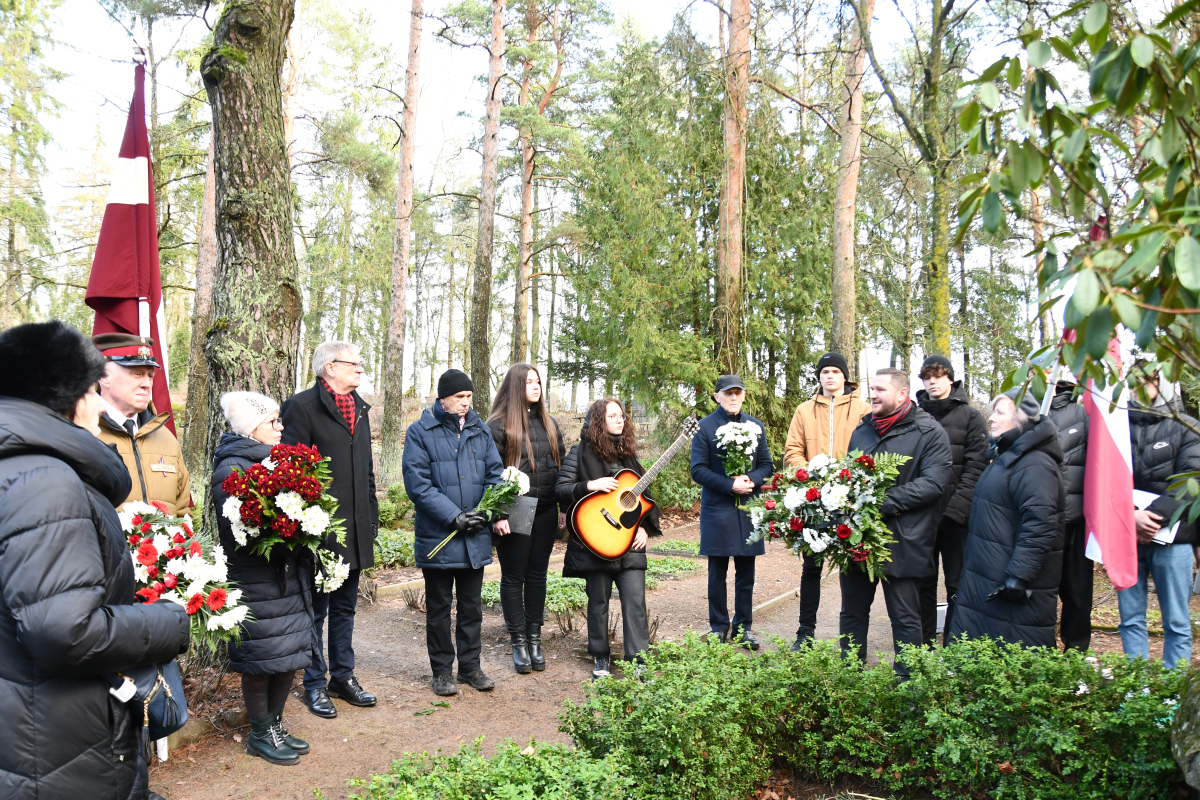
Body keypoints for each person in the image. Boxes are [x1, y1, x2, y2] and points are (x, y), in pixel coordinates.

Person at [0, 321, 191, 800]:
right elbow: (64, 630)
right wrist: (168, 620)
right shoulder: (44, 480)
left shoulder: (20, 467)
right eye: (92, 389)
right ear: (73, 396)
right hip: (54, 736)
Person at [213, 392, 315, 766]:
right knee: (261, 660)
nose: (281, 427)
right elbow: (237, 529)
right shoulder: (232, 468)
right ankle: (260, 733)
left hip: (285, 575)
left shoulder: (276, 461)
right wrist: (284, 529)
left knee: (286, 656)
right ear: (252, 427)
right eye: (274, 421)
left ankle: (275, 725)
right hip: (255, 579)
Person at [281, 341, 378, 718]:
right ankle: (314, 683)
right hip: (319, 530)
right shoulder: (302, 407)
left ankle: (343, 676)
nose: (360, 370)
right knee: (316, 611)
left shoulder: (361, 410)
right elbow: (288, 473)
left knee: (345, 609)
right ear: (329, 368)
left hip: (354, 528)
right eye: (353, 364)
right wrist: (305, 526)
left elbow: (366, 471)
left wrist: (370, 517)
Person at [841, 368, 952, 677]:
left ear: (903, 394)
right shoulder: (862, 430)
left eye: (879, 389)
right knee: (851, 614)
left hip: (905, 541)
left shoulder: (929, 432)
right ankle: (847, 679)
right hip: (859, 540)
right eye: (871, 388)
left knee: (905, 617)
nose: (872, 394)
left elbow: (934, 483)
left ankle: (907, 687)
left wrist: (880, 503)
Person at [402, 369, 504, 696]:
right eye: (459, 398)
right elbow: (418, 484)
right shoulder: (420, 432)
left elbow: (496, 477)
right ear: (443, 397)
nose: (464, 404)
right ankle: (442, 671)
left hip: (474, 536)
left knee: (472, 608)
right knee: (439, 608)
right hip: (439, 537)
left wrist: (484, 513)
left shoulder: (480, 430)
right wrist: (453, 517)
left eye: (468, 398)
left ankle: (470, 668)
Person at [949, 388, 1064, 648]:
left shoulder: (1035, 464)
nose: (991, 418)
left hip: (1009, 585)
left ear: (1022, 419)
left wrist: (1019, 576)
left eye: (1000, 413)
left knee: (1013, 665)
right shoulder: (1005, 458)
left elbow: (1040, 523)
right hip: (990, 577)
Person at [556, 399, 662, 679]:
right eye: (612, 415)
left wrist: (645, 529)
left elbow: (646, 499)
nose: (620, 420)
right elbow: (561, 490)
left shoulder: (629, 456)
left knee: (635, 602)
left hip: (629, 542)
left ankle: (638, 659)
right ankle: (601, 658)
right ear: (598, 421)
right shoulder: (579, 453)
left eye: (622, 416)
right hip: (596, 542)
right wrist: (589, 485)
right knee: (598, 603)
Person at [782, 351, 871, 649]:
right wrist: (810, 475)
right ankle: (805, 632)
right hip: (814, 498)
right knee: (812, 566)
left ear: (845, 376)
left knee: (853, 568)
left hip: (851, 499)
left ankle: (852, 639)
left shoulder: (862, 409)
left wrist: (851, 479)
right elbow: (793, 450)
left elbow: (871, 449)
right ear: (819, 377)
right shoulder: (804, 410)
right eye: (825, 372)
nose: (830, 376)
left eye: (835, 371)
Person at [486, 363, 566, 674]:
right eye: (529, 382)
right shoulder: (498, 425)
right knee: (513, 576)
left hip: (546, 509)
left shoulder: (549, 422)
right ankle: (518, 641)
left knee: (537, 576)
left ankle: (535, 639)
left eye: (538, 381)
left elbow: (560, 468)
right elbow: (490, 475)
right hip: (515, 510)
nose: (536, 387)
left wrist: (561, 508)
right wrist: (498, 515)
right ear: (516, 386)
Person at [1119, 369, 1200, 668]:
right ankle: (1134, 694)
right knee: (1129, 619)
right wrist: (1130, 516)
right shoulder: (1115, 426)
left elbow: (1190, 485)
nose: (1142, 386)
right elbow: (1105, 477)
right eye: (1136, 380)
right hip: (1125, 534)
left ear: (1163, 381)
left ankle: (1171, 699)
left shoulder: (1187, 426)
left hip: (1175, 539)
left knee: (1176, 621)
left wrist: (1149, 519)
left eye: (1150, 379)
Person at [690, 375, 775, 650]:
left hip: (749, 508)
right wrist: (730, 485)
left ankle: (743, 628)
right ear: (717, 397)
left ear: (744, 395)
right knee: (717, 573)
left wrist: (750, 480)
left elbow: (766, 465)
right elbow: (698, 469)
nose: (733, 397)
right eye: (728, 393)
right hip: (718, 508)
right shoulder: (705, 427)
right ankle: (718, 627)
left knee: (746, 573)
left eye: (737, 393)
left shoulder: (755, 426)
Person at [914, 355, 987, 644]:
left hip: (957, 519)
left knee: (957, 583)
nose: (932, 382)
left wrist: (956, 510)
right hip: (921, 517)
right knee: (922, 583)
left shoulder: (971, 417)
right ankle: (923, 645)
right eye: (927, 377)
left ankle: (956, 645)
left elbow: (976, 467)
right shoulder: (914, 415)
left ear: (950, 379)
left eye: (938, 376)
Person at [94, 332, 191, 515]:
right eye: (137, 374)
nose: (147, 384)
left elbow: (182, 512)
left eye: (150, 376)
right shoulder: (84, 434)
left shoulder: (167, 440)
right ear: (104, 376)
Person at [1047, 380, 1091, 650]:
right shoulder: (1024, 407)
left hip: (1077, 519)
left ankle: (1076, 655)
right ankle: (1040, 653)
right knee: (1042, 592)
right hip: (1040, 519)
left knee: (1077, 594)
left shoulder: (1082, 412)